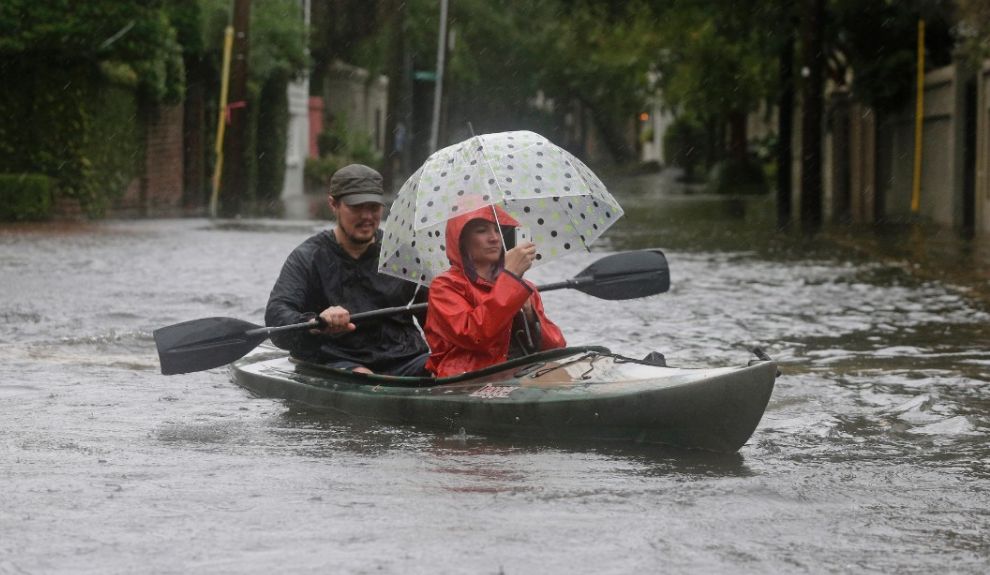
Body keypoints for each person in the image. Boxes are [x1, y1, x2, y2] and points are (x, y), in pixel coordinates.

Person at [265, 164, 429, 375]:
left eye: (373, 207)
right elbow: (278, 316)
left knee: (441, 369)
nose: (367, 217)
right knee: (362, 376)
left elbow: (434, 318)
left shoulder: (402, 254)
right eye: (356, 208)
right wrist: (314, 322)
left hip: (405, 358)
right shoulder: (307, 257)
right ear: (333, 204)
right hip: (337, 360)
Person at [423, 205, 566, 377]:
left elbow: (557, 347)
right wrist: (510, 279)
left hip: (523, 374)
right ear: (461, 240)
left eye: (498, 231)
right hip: (470, 378)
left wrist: (530, 315)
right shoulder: (444, 286)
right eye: (482, 231)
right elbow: (474, 336)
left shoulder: (522, 286)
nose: (494, 238)